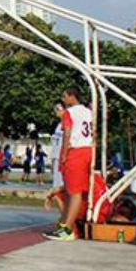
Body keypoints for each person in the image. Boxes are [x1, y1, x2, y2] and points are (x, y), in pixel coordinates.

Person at [45, 87, 94, 242]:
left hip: (76, 151)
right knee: (71, 191)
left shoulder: (70, 113)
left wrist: (64, 155)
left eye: (65, 96)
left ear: (72, 97)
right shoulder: (88, 112)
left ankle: (68, 229)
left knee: (74, 192)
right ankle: (65, 225)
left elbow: (68, 133)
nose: (63, 99)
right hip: (86, 150)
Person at [44, 171, 111, 235]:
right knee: (69, 193)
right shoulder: (94, 177)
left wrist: (53, 192)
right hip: (103, 214)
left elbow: (72, 188)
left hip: (95, 215)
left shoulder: (81, 178)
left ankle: (69, 227)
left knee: (60, 195)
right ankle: (69, 224)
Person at [49, 103, 65, 189]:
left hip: (62, 158)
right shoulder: (59, 125)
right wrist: (53, 159)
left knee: (61, 185)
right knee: (56, 184)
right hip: (56, 157)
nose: (56, 113)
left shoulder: (68, 124)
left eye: (58, 110)